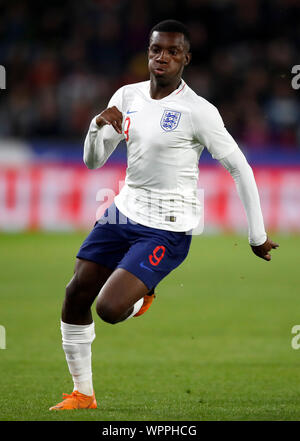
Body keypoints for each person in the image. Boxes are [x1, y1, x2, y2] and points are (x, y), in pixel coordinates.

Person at [49, 19, 279, 411]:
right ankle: (82, 394)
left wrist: (256, 235)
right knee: (75, 294)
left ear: (186, 58)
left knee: (108, 309)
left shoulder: (198, 111)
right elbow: (93, 162)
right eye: (157, 49)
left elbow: (241, 167)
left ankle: (145, 293)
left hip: (167, 228)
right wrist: (95, 127)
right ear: (148, 53)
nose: (163, 57)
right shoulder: (128, 95)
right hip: (123, 212)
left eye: (173, 52)